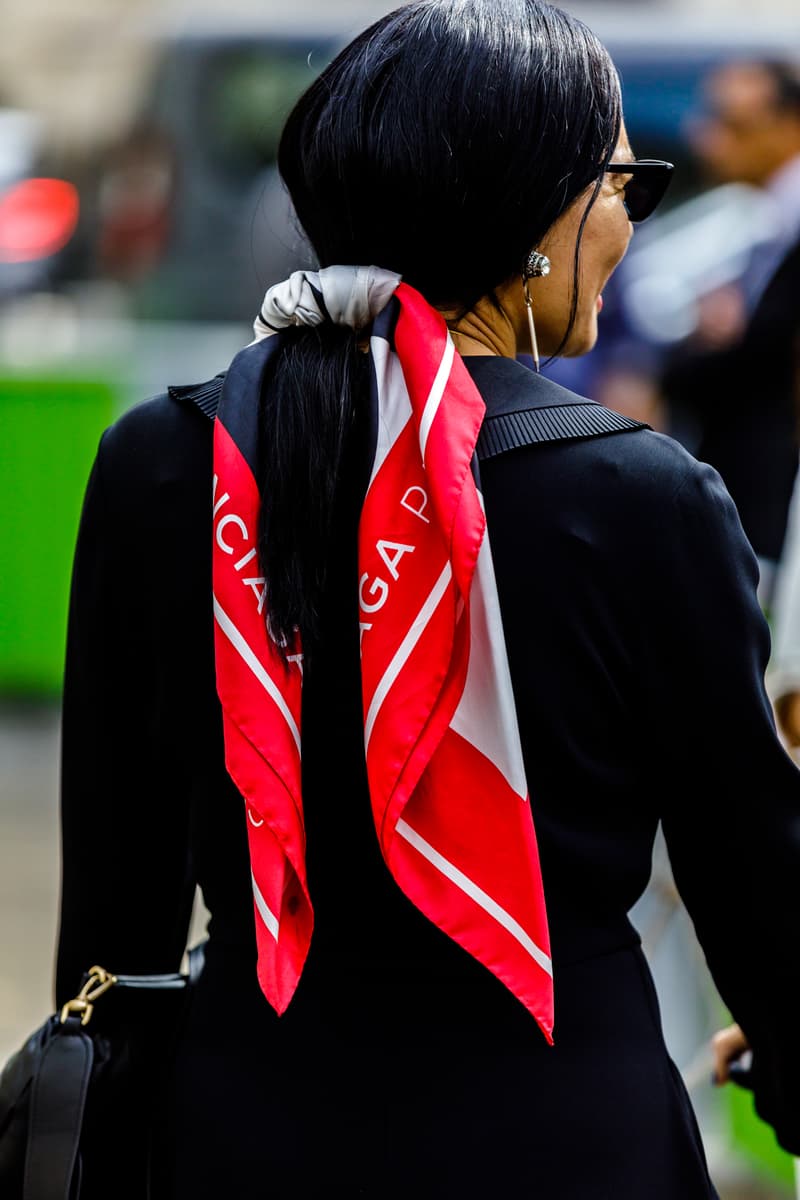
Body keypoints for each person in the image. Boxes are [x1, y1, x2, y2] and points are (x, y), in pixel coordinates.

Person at [56, 3, 800, 1197]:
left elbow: (113, 907)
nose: (627, 223)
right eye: (622, 184)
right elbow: (757, 886)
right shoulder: (639, 496)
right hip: (567, 1144)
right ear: (544, 210)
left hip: (242, 1133)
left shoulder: (161, 463)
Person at [661, 59, 800, 608]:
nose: (707, 137)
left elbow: (758, 348)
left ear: (789, 124)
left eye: (732, 122)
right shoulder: (764, 213)